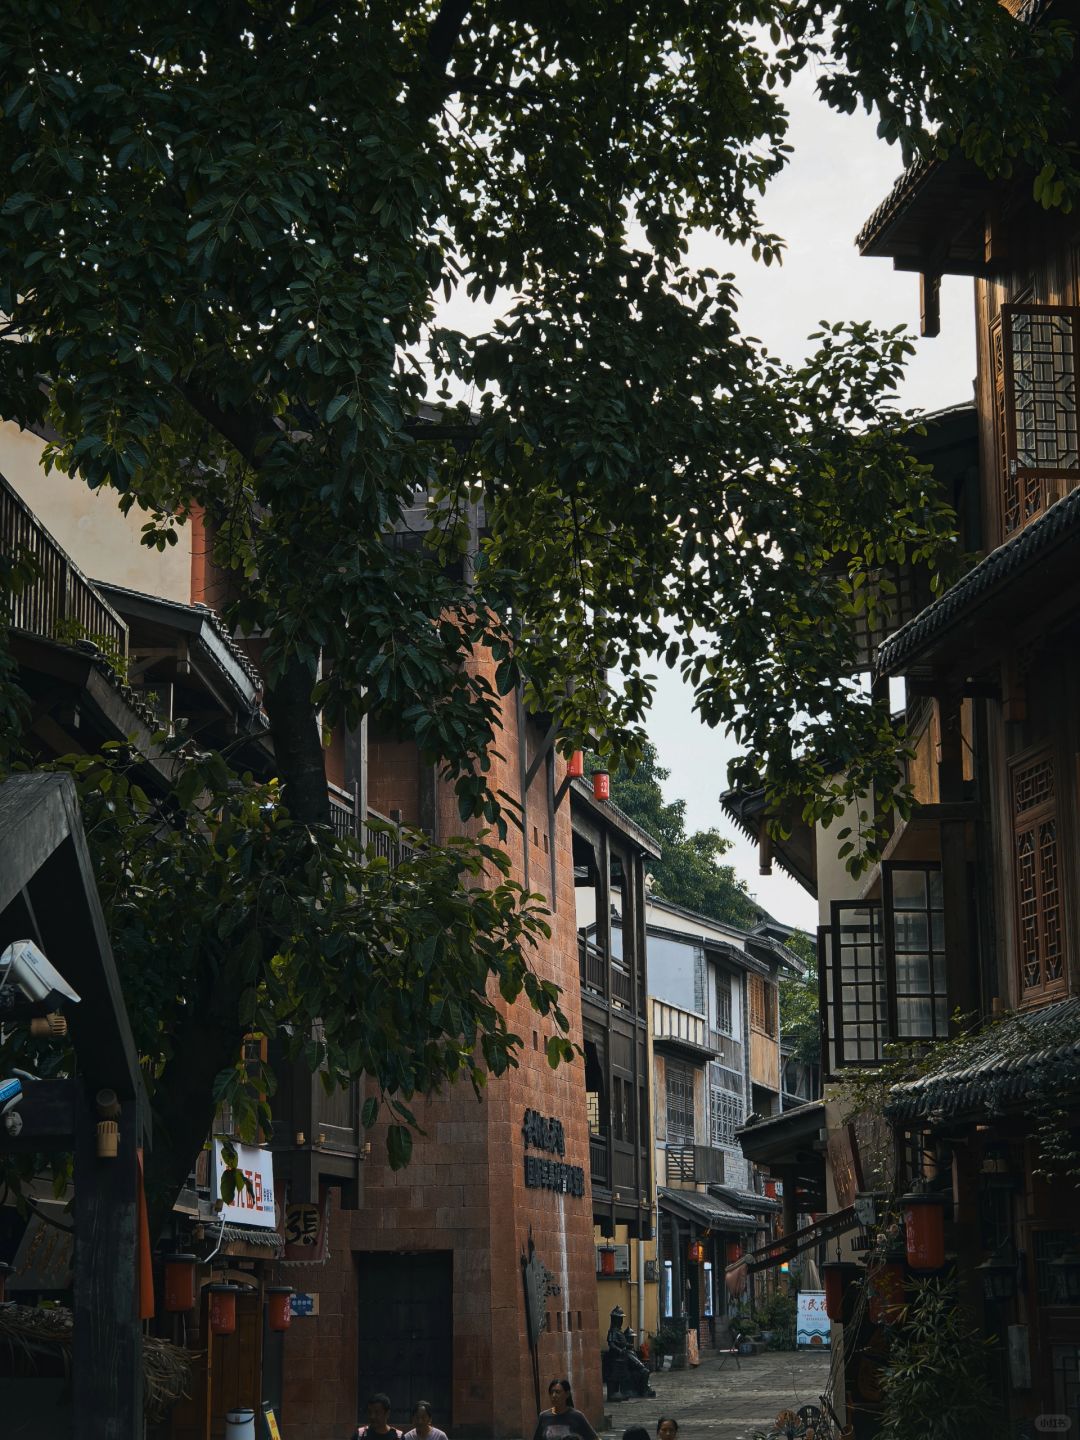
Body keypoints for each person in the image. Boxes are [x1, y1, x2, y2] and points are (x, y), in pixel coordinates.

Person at [605, 1306, 656, 1399]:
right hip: (619, 1357)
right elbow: (611, 1344)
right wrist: (620, 1350)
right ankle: (640, 1390)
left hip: (624, 1356)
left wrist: (627, 1346)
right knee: (641, 1371)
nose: (621, 1321)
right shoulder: (612, 1331)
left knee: (638, 1371)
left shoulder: (619, 1332)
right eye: (619, 1319)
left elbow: (623, 1343)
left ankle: (642, 1389)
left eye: (621, 1319)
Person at [532, 1379, 599, 1440]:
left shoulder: (577, 1416)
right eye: (552, 1392)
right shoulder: (544, 1417)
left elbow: (594, 1438)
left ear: (567, 1394)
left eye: (557, 1392)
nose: (554, 1395)